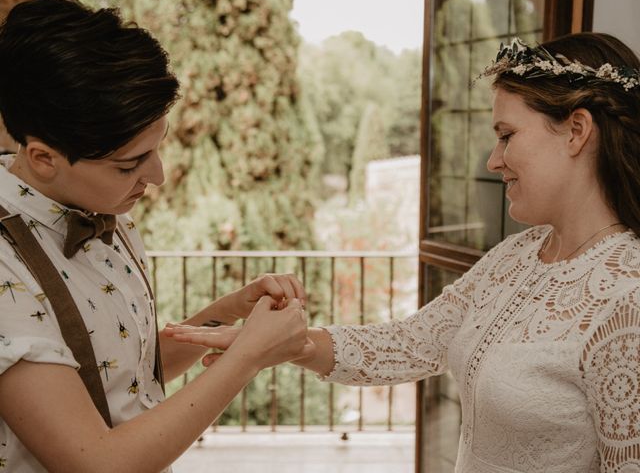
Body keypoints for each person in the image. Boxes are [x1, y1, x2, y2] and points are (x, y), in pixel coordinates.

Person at [167, 32, 640, 472]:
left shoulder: (628, 301)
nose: (495, 160)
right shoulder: (516, 254)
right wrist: (286, 344)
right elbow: (408, 344)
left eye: (506, 135)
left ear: (577, 130)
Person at [0, 0, 312, 472]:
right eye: (130, 164)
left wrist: (225, 318)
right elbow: (96, 464)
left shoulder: (110, 212)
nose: (158, 176)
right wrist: (248, 358)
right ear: (44, 158)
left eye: (156, 149)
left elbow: (124, 373)